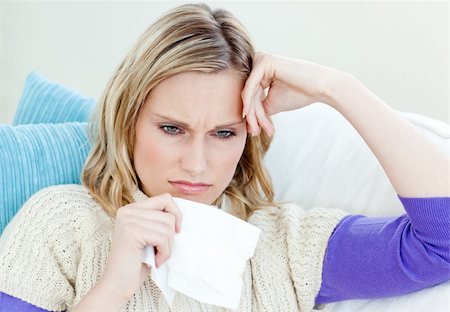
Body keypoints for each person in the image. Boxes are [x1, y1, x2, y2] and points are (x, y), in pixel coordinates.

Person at [0, 3, 449, 312]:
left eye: (223, 133)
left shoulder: (285, 248)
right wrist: (113, 287)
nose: (197, 165)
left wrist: (335, 88)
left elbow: (442, 243)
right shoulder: (59, 224)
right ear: (128, 120)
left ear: (248, 134)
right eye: (172, 129)